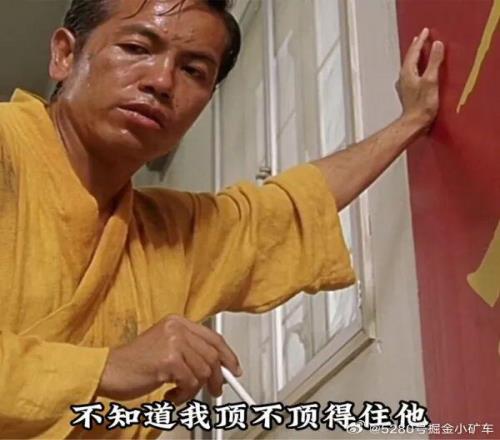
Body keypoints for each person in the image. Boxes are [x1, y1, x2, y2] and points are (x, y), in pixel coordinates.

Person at [0, 0, 444, 437]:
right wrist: (105, 367)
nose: (161, 81)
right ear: (65, 55)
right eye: (136, 48)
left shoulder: (169, 233)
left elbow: (287, 208)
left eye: (193, 70)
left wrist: (409, 122)